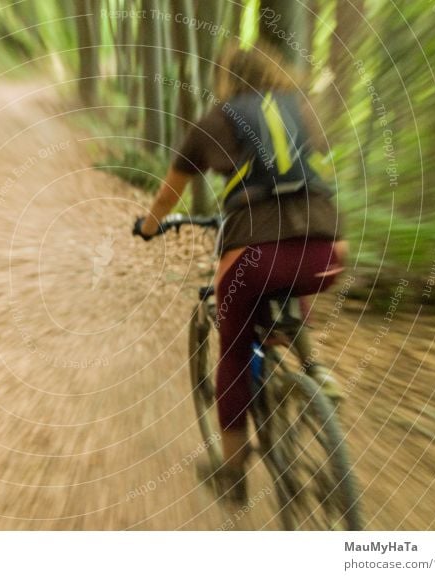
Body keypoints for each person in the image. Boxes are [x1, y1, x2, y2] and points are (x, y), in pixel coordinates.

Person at [132, 41, 347, 500]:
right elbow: (323, 160)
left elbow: (170, 193)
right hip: (328, 250)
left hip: (255, 254)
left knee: (233, 347)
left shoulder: (218, 121)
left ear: (229, 78)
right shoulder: (303, 108)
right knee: (291, 275)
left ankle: (232, 473)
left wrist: (150, 226)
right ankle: (313, 370)